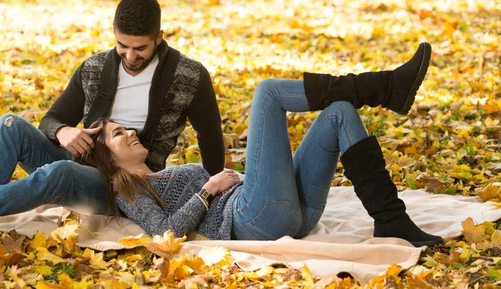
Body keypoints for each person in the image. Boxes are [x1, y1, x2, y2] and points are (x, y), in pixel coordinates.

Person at [0, 0, 225, 248]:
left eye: (140, 48)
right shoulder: (95, 68)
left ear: (159, 37)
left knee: (61, 172)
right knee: (9, 126)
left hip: (125, 184)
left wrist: (214, 190)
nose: (130, 57)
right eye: (122, 46)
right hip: (80, 161)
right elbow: (52, 119)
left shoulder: (189, 76)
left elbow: (210, 136)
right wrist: (62, 132)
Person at [76, 42, 443, 247]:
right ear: (109, 159)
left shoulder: (156, 174)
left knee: (340, 112)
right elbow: (164, 231)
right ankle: (382, 87)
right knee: (267, 93)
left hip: (289, 213)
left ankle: (391, 220)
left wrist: (229, 179)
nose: (130, 132)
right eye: (118, 135)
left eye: (125, 127)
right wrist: (208, 189)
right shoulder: (125, 189)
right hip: (256, 218)